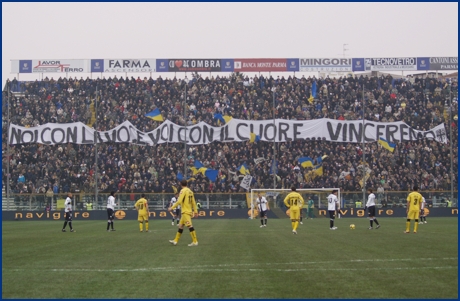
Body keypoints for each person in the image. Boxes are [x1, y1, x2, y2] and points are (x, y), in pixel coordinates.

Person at [168, 180, 199, 246]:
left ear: (181, 184)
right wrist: (196, 211)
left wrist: (171, 208)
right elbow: (193, 202)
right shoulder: (190, 191)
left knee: (190, 226)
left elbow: (179, 201)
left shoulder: (182, 191)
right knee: (181, 226)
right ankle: (175, 240)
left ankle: (195, 241)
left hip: (185, 211)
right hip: (188, 211)